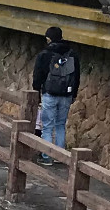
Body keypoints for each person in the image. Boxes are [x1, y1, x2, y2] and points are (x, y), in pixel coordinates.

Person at [31, 26, 82, 160]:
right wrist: (74, 94)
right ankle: (60, 157)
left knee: (47, 127)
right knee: (60, 125)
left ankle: (46, 157)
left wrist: (36, 92)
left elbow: (37, 76)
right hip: (66, 94)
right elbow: (76, 76)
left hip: (49, 94)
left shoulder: (44, 54)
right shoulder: (71, 54)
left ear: (48, 39)